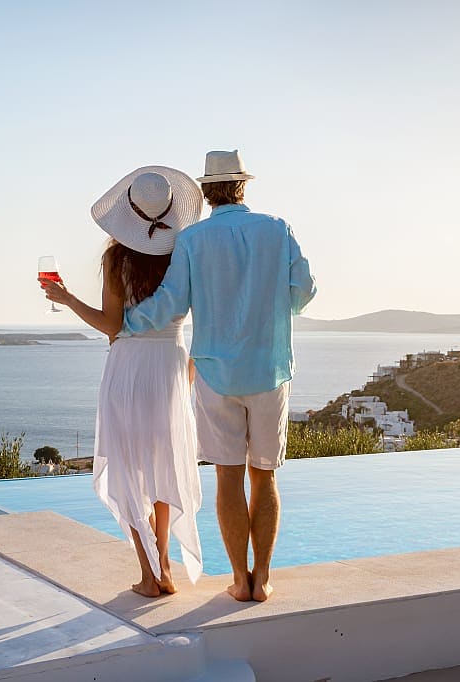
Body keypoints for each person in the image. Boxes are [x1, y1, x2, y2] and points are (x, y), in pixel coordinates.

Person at [118, 150, 316, 602]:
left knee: (228, 476)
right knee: (264, 476)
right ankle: (262, 578)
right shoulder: (277, 229)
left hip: (214, 373)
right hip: (269, 369)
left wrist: (125, 325)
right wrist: (274, 306)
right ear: (242, 187)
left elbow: (170, 304)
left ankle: (239, 579)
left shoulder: (194, 240)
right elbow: (303, 293)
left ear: (207, 193)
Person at [40, 167, 204, 597]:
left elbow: (112, 327)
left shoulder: (116, 259)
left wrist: (67, 299)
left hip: (131, 367)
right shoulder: (184, 254)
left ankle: (151, 575)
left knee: (130, 471)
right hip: (171, 364)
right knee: (164, 468)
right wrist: (189, 372)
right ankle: (163, 565)